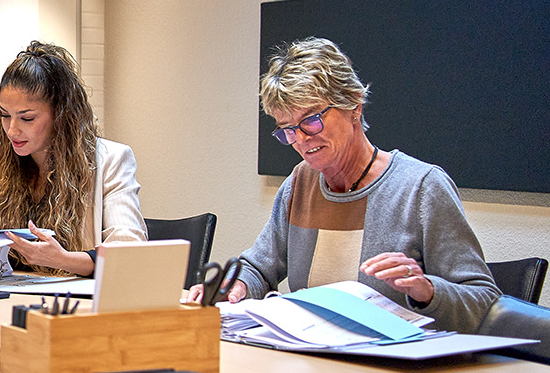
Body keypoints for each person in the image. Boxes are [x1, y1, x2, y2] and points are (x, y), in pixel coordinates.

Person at [188, 37, 498, 332]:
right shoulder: (301, 183)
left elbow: (483, 301)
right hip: (316, 359)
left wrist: (426, 291)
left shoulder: (420, 188)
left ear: (354, 105)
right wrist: (235, 287)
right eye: (288, 129)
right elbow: (258, 268)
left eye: (311, 120)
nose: (301, 140)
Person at [0, 41, 146, 276]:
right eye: (5, 115)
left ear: (61, 115)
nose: (12, 130)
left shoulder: (111, 160)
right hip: (10, 297)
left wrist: (63, 260)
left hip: (73, 303)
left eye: (27, 119)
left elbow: (129, 253)